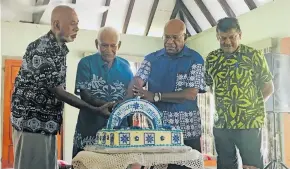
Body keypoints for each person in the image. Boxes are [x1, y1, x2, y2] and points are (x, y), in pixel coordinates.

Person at [10, 6, 113, 169]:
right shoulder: (42, 48)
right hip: (32, 125)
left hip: (46, 125)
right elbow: (58, 91)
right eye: (73, 23)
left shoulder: (58, 49)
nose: (77, 28)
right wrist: (93, 109)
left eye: (77, 23)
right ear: (57, 25)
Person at [127, 19, 206, 169]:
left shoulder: (195, 59)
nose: (170, 41)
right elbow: (138, 79)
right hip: (159, 131)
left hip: (187, 132)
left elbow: (190, 93)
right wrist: (131, 92)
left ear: (185, 37)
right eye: (167, 37)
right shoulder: (151, 59)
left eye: (175, 37)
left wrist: (155, 96)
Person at [205, 17, 274, 169]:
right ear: (217, 37)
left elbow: (268, 86)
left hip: (249, 123)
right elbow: (210, 87)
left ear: (240, 35)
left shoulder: (254, 56)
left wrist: (251, 107)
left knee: (252, 166)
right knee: (225, 165)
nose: (227, 42)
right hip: (221, 124)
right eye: (223, 38)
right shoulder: (211, 59)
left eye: (232, 37)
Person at [72, 27, 133, 158]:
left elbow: (130, 97)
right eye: (104, 45)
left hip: (119, 132)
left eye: (113, 46)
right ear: (96, 44)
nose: (109, 50)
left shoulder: (126, 66)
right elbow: (85, 95)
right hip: (90, 128)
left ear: (119, 45)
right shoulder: (86, 63)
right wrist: (110, 106)